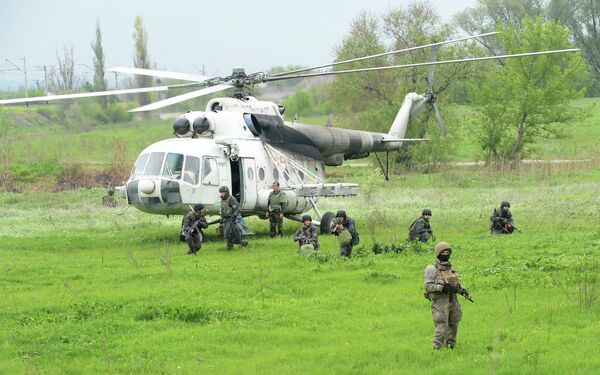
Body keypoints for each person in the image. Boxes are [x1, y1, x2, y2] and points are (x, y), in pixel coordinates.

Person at [424, 242, 470, 350]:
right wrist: (442, 288)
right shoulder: (432, 269)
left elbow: (456, 284)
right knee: (442, 325)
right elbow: (427, 286)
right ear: (438, 253)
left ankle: (451, 345)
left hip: (453, 299)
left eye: (447, 252)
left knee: (454, 322)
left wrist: (461, 290)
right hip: (440, 301)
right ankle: (436, 348)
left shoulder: (451, 269)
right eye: (443, 252)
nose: (445, 254)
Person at [219, 185, 248, 250]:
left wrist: (234, 215)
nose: (221, 194)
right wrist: (222, 218)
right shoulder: (222, 200)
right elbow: (223, 210)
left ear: (226, 192)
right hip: (225, 219)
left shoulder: (231, 199)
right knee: (227, 234)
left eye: (223, 192)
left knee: (229, 233)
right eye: (221, 192)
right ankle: (242, 242)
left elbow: (238, 208)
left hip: (231, 219)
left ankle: (230, 248)